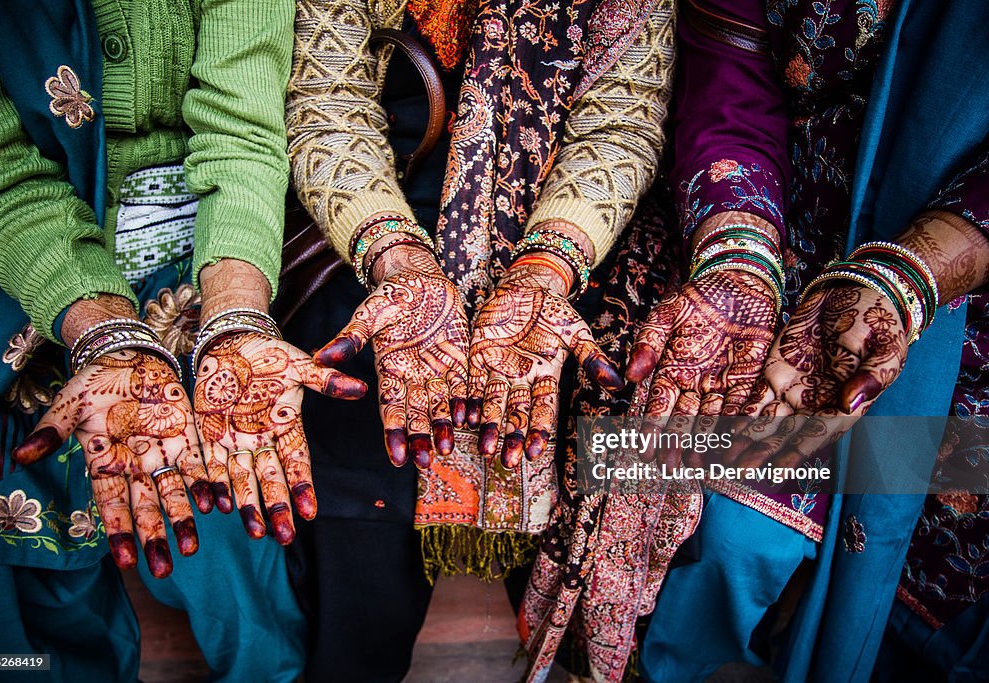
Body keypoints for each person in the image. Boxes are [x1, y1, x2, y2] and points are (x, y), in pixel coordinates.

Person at [588, 0, 989, 680]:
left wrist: (902, 280)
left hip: (958, 304)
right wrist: (737, 260)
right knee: (727, 529)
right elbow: (729, 79)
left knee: (928, 559)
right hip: (770, 239)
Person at [0, 2, 359, 681]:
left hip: (207, 255)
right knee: (11, 608)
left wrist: (234, 318)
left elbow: (240, 130)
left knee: (236, 512)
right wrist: (108, 333)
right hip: (21, 278)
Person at [284, 0, 675, 679]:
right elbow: (329, 97)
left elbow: (621, 121)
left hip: (567, 254)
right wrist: (398, 258)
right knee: (362, 527)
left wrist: (542, 273)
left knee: (592, 469)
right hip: (373, 230)